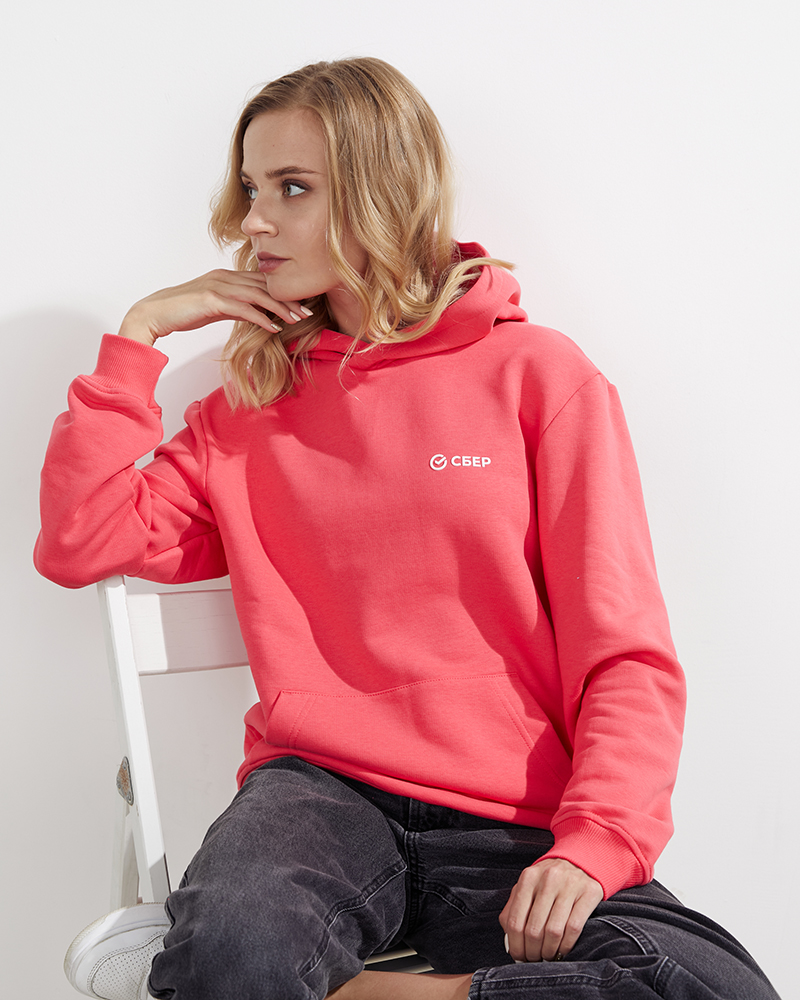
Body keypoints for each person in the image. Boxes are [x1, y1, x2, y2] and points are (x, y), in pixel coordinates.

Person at [35, 58, 780, 1000]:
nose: (253, 221)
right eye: (252, 189)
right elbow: (81, 540)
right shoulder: (250, 408)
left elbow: (624, 651)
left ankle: (337, 991)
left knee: (712, 987)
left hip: (517, 813)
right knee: (234, 947)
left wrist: (597, 840)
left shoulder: (538, 377)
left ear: (383, 190)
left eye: (292, 188)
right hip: (319, 795)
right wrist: (139, 336)